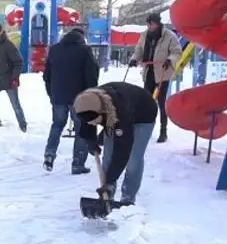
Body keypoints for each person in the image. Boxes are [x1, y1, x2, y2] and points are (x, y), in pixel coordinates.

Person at [73, 81, 158, 206]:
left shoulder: (120, 111)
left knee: (133, 158)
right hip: (116, 112)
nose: (94, 125)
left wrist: (109, 179)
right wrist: (92, 142)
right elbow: (87, 124)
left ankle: (128, 198)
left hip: (144, 115)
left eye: (96, 121)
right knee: (108, 155)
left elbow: (123, 151)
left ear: (102, 113)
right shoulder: (85, 103)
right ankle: (108, 194)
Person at [42, 27, 99, 174]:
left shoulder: (54, 49)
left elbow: (46, 75)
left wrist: (51, 94)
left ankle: (49, 155)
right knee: (81, 129)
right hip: (79, 98)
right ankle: (78, 163)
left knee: (57, 125)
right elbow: (91, 75)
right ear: (82, 37)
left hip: (58, 96)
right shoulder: (85, 50)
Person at [129, 12, 182, 143]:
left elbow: (176, 52)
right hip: (149, 72)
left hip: (162, 73)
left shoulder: (169, 36)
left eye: (152, 24)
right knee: (146, 102)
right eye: (148, 24)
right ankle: (145, 129)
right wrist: (134, 59)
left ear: (158, 24)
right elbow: (139, 50)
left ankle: (163, 131)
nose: (150, 26)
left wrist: (170, 60)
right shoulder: (144, 35)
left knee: (161, 102)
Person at [0, 21, 27, 132]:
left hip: (9, 81)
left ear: (1, 32)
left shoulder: (8, 45)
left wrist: (15, 78)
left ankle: (23, 126)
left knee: (16, 105)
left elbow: (19, 62)